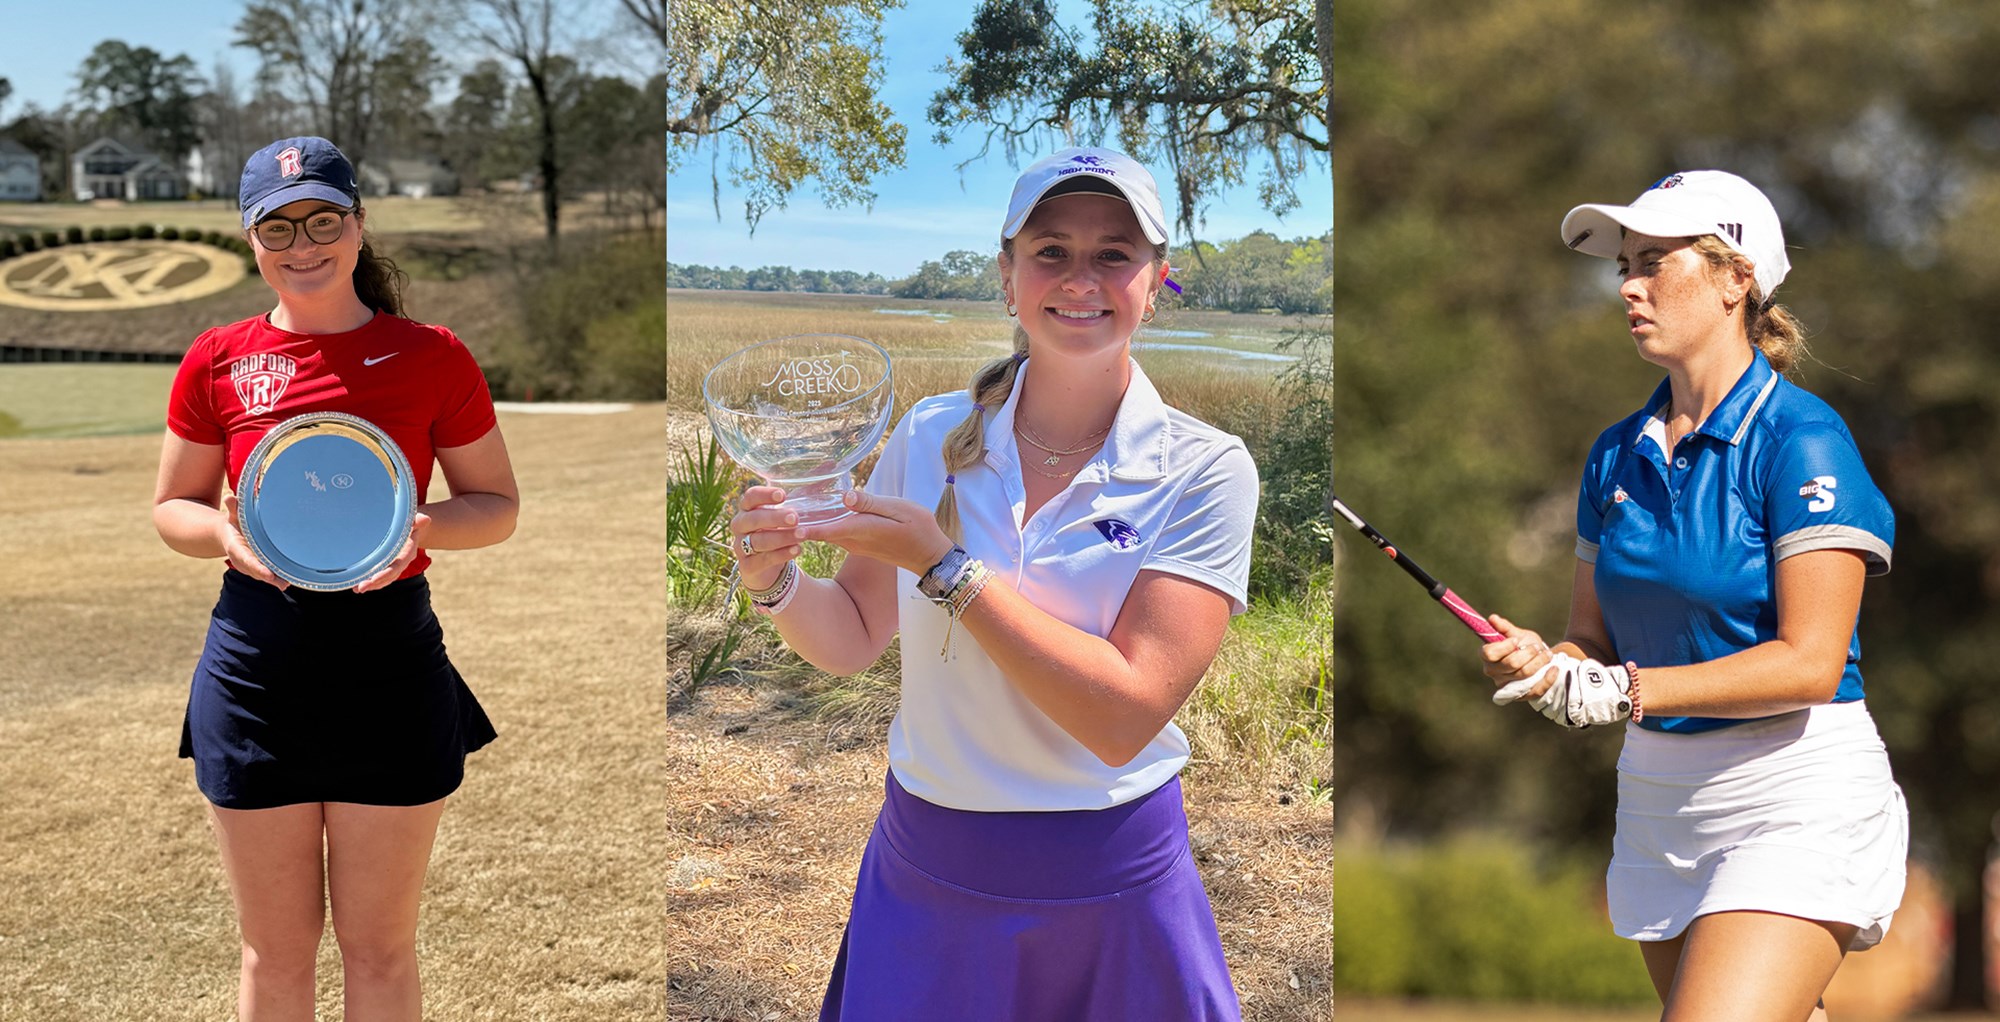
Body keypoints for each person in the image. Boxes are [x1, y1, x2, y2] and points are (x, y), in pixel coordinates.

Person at [728, 146, 1257, 1021]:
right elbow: (855, 633)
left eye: (1114, 254)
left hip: (1111, 876)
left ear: (1156, 282)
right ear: (1007, 277)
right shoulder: (931, 431)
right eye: (1050, 250)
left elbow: (1122, 716)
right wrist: (775, 583)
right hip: (929, 859)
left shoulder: (1204, 468)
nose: (1080, 277)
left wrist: (946, 569)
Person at [1482, 170, 1906, 1020]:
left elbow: (1812, 663)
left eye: (1653, 262)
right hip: (1660, 798)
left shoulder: (1804, 440)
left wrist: (1627, 689)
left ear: (1734, 278)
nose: (1629, 287)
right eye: (1622, 268)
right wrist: (1555, 665)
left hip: (1793, 789)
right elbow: (1590, 639)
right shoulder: (1614, 455)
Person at [151, 136, 519, 1022]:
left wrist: (419, 527)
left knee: (381, 950)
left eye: (322, 219)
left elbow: (496, 503)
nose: (301, 243)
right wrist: (226, 539)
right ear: (252, 241)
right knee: (273, 956)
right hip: (253, 669)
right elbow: (173, 508)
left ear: (358, 228)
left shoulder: (433, 355)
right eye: (277, 227)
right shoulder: (218, 358)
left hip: (389, 666)